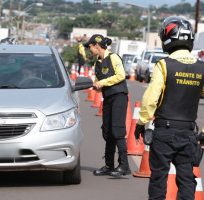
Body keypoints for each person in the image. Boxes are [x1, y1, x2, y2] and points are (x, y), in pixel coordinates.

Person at [134, 16, 204, 199]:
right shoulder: (201, 68)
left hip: (164, 133)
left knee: (159, 177)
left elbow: (150, 99)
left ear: (168, 37)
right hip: (188, 134)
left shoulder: (164, 66)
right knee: (187, 179)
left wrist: (141, 123)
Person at [84, 34, 131, 177]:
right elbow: (99, 84)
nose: (89, 50)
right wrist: (95, 86)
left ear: (96, 45)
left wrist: (102, 83)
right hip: (108, 98)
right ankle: (109, 165)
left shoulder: (114, 57)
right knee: (107, 132)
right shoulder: (97, 63)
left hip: (119, 97)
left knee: (117, 130)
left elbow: (121, 75)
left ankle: (124, 165)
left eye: (90, 47)